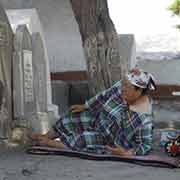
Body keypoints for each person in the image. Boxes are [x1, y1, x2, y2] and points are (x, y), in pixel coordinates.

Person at [30, 69, 156, 156]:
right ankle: (47, 135)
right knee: (71, 117)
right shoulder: (123, 87)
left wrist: (127, 153)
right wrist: (86, 106)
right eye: (123, 85)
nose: (122, 89)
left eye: (126, 88)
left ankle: (49, 143)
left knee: (81, 140)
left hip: (107, 139)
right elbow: (104, 95)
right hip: (99, 118)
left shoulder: (144, 118)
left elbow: (145, 145)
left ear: (138, 92)